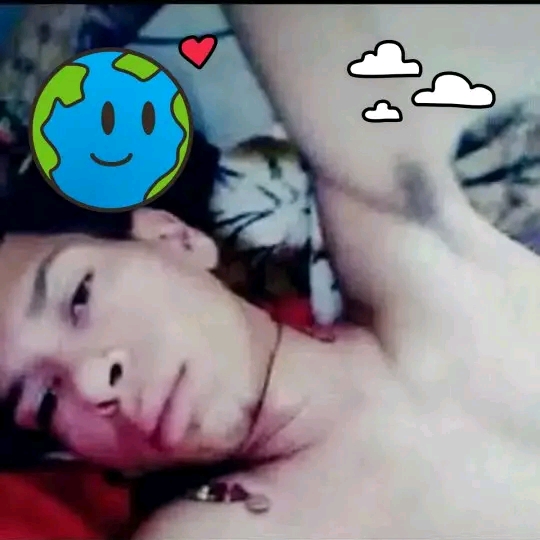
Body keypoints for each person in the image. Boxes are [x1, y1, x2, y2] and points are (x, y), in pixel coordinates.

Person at [2, 4, 540, 538]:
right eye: (43, 402)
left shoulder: (415, 249)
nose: (94, 383)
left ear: (174, 238)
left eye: (80, 297)